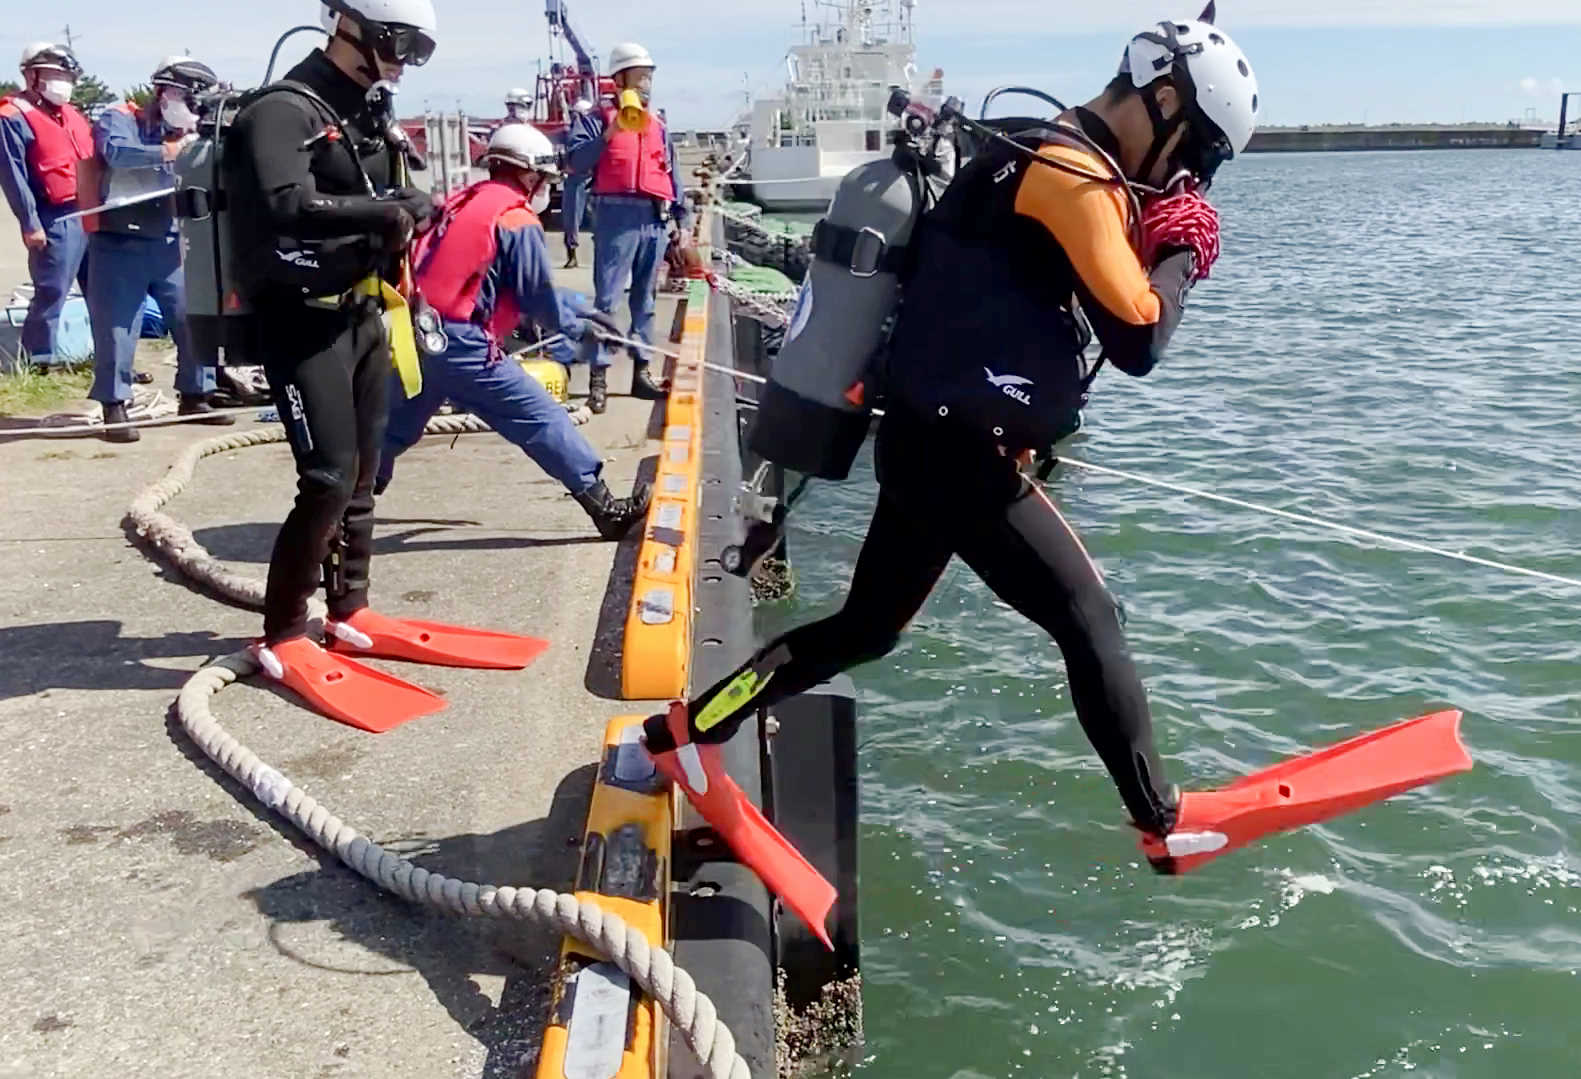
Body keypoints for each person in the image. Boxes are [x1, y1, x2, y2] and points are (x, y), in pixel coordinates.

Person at [643, 15, 1261, 850]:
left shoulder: (1030, 152)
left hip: (924, 443)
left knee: (863, 628)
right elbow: (1140, 338)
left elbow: (1111, 326)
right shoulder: (1068, 172)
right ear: (1161, 101)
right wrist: (1182, 252)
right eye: (1197, 154)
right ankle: (1163, 820)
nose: (1191, 176)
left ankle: (683, 733)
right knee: (1089, 617)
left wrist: (1156, 235)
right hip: (960, 454)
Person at [223, 0, 465, 728]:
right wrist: (388, 209)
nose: (402, 59)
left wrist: (403, 206)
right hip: (301, 319)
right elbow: (284, 202)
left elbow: (376, 193)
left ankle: (350, 609)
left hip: (364, 311)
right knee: (326, 478)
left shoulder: (365, 108)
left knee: (363, 472)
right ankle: (284, 631)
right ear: (347, 26)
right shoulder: (281, 109)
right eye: (397, 42)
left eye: (416, 49)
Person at [380, 122, 652, 540]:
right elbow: (536, 297)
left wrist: (573, 314)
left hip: (418, 333)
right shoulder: (516, 219)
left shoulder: (463, 202)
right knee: (540, 417)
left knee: (393, 427)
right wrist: (581, 330)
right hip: (463, 346)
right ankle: (606, 510)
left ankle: (344, 506)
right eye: (542, 177)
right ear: (528, 174)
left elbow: (485, 280)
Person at [85, 56, 231, 441]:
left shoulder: (196, 128)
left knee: (192, 316)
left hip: (171, 241)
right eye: (188, 99)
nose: (193, 110)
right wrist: (168, 153)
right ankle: (114, 405)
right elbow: (116, 153)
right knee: (118, 327)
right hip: (120, 241)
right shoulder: (118, 117)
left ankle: (196, 394)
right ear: (164, 93)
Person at [564, 41, 687, 413]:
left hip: (653, 217)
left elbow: (671, 171)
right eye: (638, 77)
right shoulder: (595, 121)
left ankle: (642, 372)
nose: (645, 84)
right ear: (618, 81)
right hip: (615, 215)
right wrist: (610, 132)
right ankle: (598, 379)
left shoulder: (658, 127)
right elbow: (576, 163)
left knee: (645, 301)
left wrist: (681, 219)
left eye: (648, 77)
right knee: (606, 301)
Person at [0, 43, 91, 369]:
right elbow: (13, 175)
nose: (63, 83)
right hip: (54, 216)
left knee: (102, 291)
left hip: (90, 212)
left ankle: (108, 354)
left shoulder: (71, 115)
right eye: (55, 75)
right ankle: (40, 360)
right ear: (31, 75)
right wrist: (30, 223)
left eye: (67, 76)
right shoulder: (13, 116)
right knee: (52, 290)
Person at [559, 96, 593, 270]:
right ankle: (572, 255)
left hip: (595, 179)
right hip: (574, 180)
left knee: (602, 220)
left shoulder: (596, 131)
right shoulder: (566, 134)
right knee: (571, 219)